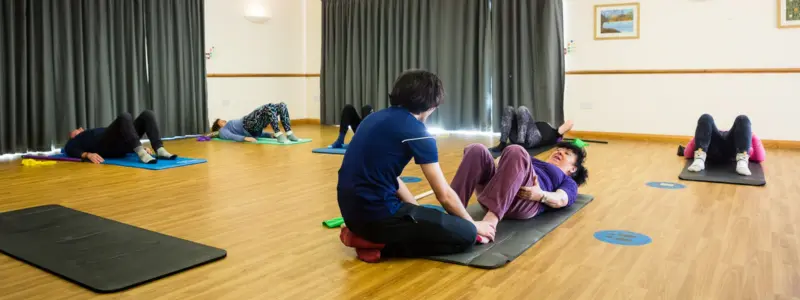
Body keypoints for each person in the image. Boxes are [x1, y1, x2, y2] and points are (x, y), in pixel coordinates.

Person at [336, 69, 496, 263]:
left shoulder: (373, 118)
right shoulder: (417, 131)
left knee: (430, 219)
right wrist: (473, 225)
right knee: (466, 235)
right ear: (432, 104)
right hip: (376, 217)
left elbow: (390, 175)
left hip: (351, 213)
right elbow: (443, 194)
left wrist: (418, 212)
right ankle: (374, 243)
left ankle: (366, 235)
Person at [450, 141, 588, 229]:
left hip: (525, 200)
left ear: (573, 169)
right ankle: (453, 210)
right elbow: (498, 162)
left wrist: (540, 195)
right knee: (476, 149)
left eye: (567, 153)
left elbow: (561, 199)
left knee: (516, 150)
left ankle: (490, 222)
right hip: (497, 188)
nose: (559, 152)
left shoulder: (568, 181)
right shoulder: (531, 160)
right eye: (558, 149)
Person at [63, 110, 177, 164]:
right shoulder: (76, 141)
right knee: (124, 116)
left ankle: (159, 149)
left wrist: (137, 147)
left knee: (147, 114)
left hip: (118, 143)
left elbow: (125, 135)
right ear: (72, 136)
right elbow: (69, 149)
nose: (80, 128)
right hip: (104, 145)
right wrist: (87, 154)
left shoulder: (90, 131)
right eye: (76, 130)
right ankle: (141, 153)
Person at [684, 114, 765, 176]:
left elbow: (760, 157)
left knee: (743, 119)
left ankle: (742, 162)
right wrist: (700, 135)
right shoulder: (711, 138)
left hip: (734, 149)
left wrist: (750, 135)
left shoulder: (743, 142)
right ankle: (699, 159)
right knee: (706, 117)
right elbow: (687, 154)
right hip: (713, 148)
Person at [491, 105, 574, 152]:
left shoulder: (555, 133)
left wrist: (560, 131)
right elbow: (523, 122)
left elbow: (570, 122)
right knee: (508, 109)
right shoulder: (536, 124)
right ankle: (503, 143)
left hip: (533, 139)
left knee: (522, 109)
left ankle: (520, 145)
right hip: (520, 135)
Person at [209, 102, 300, 143]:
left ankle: (289, 133)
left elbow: (257, 133)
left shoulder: (227, 127)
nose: (224, 121)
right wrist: (244, 138)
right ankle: (279, 134)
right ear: (219, 126)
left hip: (254, 127)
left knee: (281, 105)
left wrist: (268, 135)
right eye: (221, 122)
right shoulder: (222, 131)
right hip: (246, 123)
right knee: (269, 107)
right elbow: (231, 136)